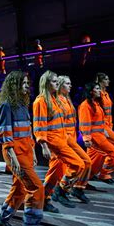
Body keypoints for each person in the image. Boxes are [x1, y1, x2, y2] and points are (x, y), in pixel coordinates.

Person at [0, 70, 48, 226]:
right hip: (15, 152)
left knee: (20, 189)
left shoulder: (23, 104)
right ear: (14, 85)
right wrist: (13, 158)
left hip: (25, 150)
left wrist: (32, 151)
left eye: (27, 84)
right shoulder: (6, 105)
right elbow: (3, 133)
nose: (27, 87)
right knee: (36, 187)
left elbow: (27, 131)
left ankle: (3, 217)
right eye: (24, 84)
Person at [33, 70, 85, 209]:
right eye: (54, 81)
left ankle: (45, 198)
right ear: (47, 83)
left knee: (56, 172)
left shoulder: (54, 99)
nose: (57, 83)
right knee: (78, 164)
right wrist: (44, 145)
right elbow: (39, 124)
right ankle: (60, 190)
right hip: (54, 142)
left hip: (62, 139)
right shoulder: (41, 101)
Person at [45, 76, 91, 210]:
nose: (70, 86)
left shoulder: (66, 99)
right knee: (55, 171)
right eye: (67, 83)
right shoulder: (57, 101)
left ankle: (70, 189)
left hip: (68, 138)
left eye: (70, 83)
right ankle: (49, 196)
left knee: (84, 162)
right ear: (60, 85)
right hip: (60, 139)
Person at [78, 82, 114, 184]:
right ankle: (103, 174)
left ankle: (82, 183)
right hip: (95, 138)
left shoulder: (95, 103)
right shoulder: (85, 106)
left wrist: (103, 130)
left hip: (100, 135)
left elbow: (97, 121)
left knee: (94, 162)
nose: (99, 91)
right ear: (91, 91)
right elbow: (85, 123)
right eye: (97, 89)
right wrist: (87, 139)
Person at [92, 73, 114, 183]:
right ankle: (106, 171)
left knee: (97, 153)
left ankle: (94, 174)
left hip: (108, 126)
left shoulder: (106, 94)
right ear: (101, 81)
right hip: (102, 127)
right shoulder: (99, 95)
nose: (109, 81)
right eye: (106, 79)